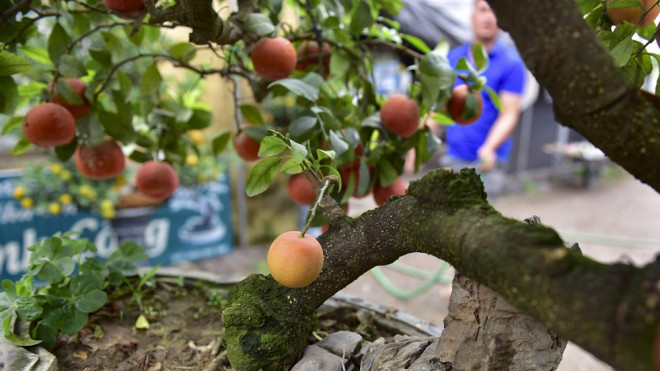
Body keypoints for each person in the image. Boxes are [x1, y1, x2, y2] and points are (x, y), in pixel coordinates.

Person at [442, 0, 527, 197]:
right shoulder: (453, 59)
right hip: (453, 156)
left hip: (487, 163)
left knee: (475, 222)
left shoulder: (511, 63)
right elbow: (439, 108)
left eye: (494, 11)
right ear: (472, 15)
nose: (488, 17)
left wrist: (489, 147)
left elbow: (509, 113)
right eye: (482, 10)